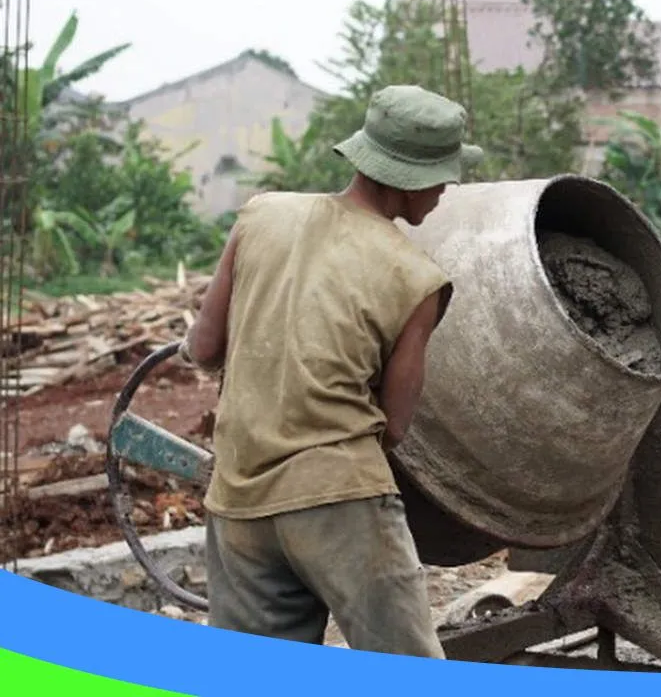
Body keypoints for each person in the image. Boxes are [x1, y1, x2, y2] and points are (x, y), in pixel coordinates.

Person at [180, 85, 483, 658]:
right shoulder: (415, 276)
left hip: (239, 500)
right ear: (407, 177)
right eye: (442, 178)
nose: (445, 192)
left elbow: (203, 347)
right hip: (339, 502)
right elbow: (394, 426)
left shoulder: (260, 215)